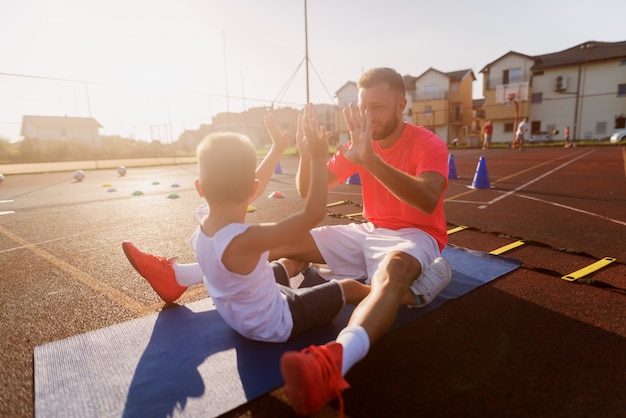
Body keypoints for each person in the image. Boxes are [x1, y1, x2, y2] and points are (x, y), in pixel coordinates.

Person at [123, 67, 452, 416]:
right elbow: (308, 191)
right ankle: (180, 277)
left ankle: (336, 361)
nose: (367, 116)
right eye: (362, 107)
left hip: (415, 236)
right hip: (367, 231)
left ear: (401, 104)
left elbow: (428, 199)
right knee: (285, 239)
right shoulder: (359, 145)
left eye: (377, 107)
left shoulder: (426, 142)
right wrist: (310, 152)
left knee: (391, 274)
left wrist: (370, 161)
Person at [127, 106, 372, 344]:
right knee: (349, 287)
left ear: (200, 187)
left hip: (237, 316)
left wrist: (277, 149)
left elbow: (250, 185)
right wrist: (318, 158)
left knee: (289, 262)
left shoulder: (202, 223)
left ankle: (180, 277)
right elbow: (314, 213)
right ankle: (392, 296)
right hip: (277, 323)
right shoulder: (249, 239)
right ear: (253, 189)